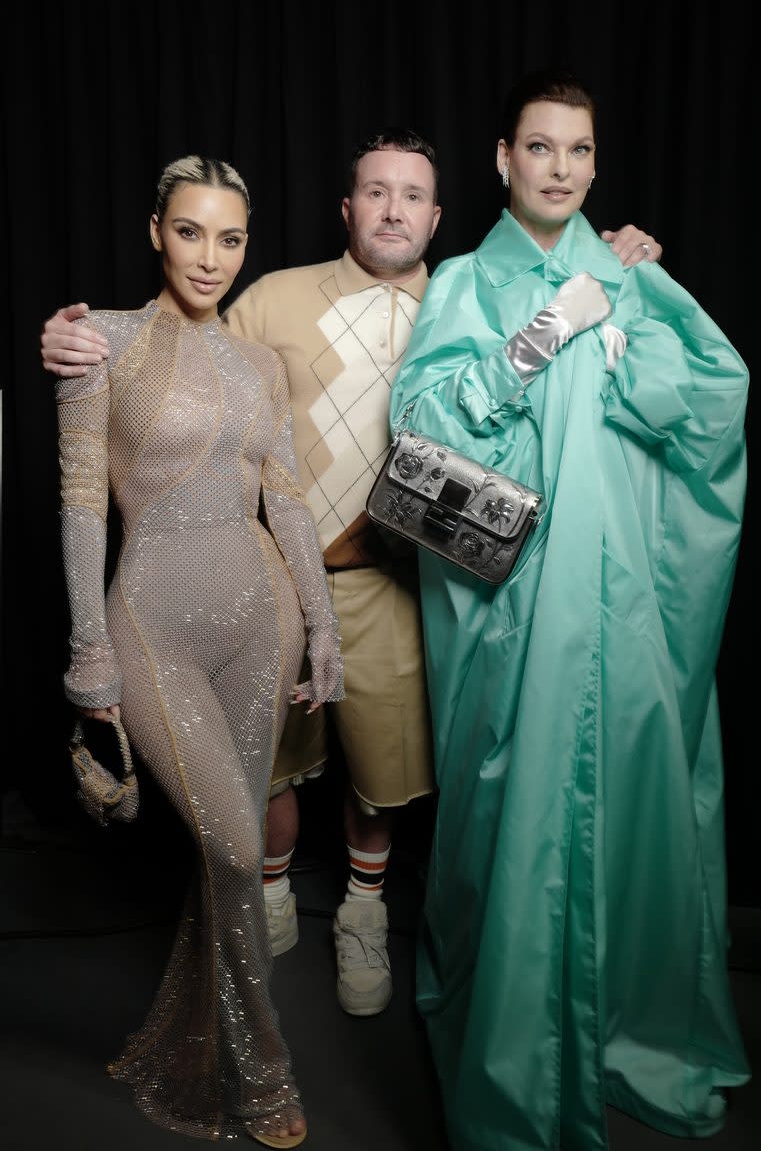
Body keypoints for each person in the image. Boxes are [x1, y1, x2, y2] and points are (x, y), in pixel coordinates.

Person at [41, 128, 662, 1020]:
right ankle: (273, 885)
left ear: (438, 215)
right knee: (274, 770)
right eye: (376, 192)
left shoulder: (468, 300)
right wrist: (71, 340)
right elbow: (178, 354)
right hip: (267, 583)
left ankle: (364, 911)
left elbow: (549, 322)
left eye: (413, 196)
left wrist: (617, 257)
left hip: (398, 585)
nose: (394, 210)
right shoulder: (271, 300)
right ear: (347, 206)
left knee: (383, 766)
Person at [388, 71, 750, 1151]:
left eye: (576, 152)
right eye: (537, 148)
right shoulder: (460, 282)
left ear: (594, 164)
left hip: (626, 602)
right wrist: (542, 334)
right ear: (501, 159)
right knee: (515, 822)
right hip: (512, 614)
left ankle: (622, 1035)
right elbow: (418, 434)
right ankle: (514, 1057)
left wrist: (624, 347)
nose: (557, 168)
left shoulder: (630, 274)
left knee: (635, 814)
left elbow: (712, 402)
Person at [56, 154, 345, 1148]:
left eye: (229, 238)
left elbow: (289, 500)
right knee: (229, 846)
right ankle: (262, 1078)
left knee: (236, 859)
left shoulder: (263, 365)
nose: (209, 257)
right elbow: (83, 500)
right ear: (155, 231)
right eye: (190, 231)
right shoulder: (105, 344)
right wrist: (87, 651)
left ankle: (194, 1034)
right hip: (152, 627)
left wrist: (320, 622)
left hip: (258, 619)